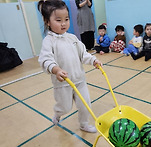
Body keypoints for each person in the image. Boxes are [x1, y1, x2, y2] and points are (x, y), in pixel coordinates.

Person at [37, 0, 102, 133]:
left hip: (79, 80)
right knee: (65, 107)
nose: (64, 23)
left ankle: (84, 124)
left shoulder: (72, 38)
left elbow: (83, 54)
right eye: (58, 20)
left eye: (66, 19)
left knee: (85, 105)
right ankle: (57, 113)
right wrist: (56, 70)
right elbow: (45, 60)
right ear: (47, 22)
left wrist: (93, 60)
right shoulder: (49, 41)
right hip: (63, 84)